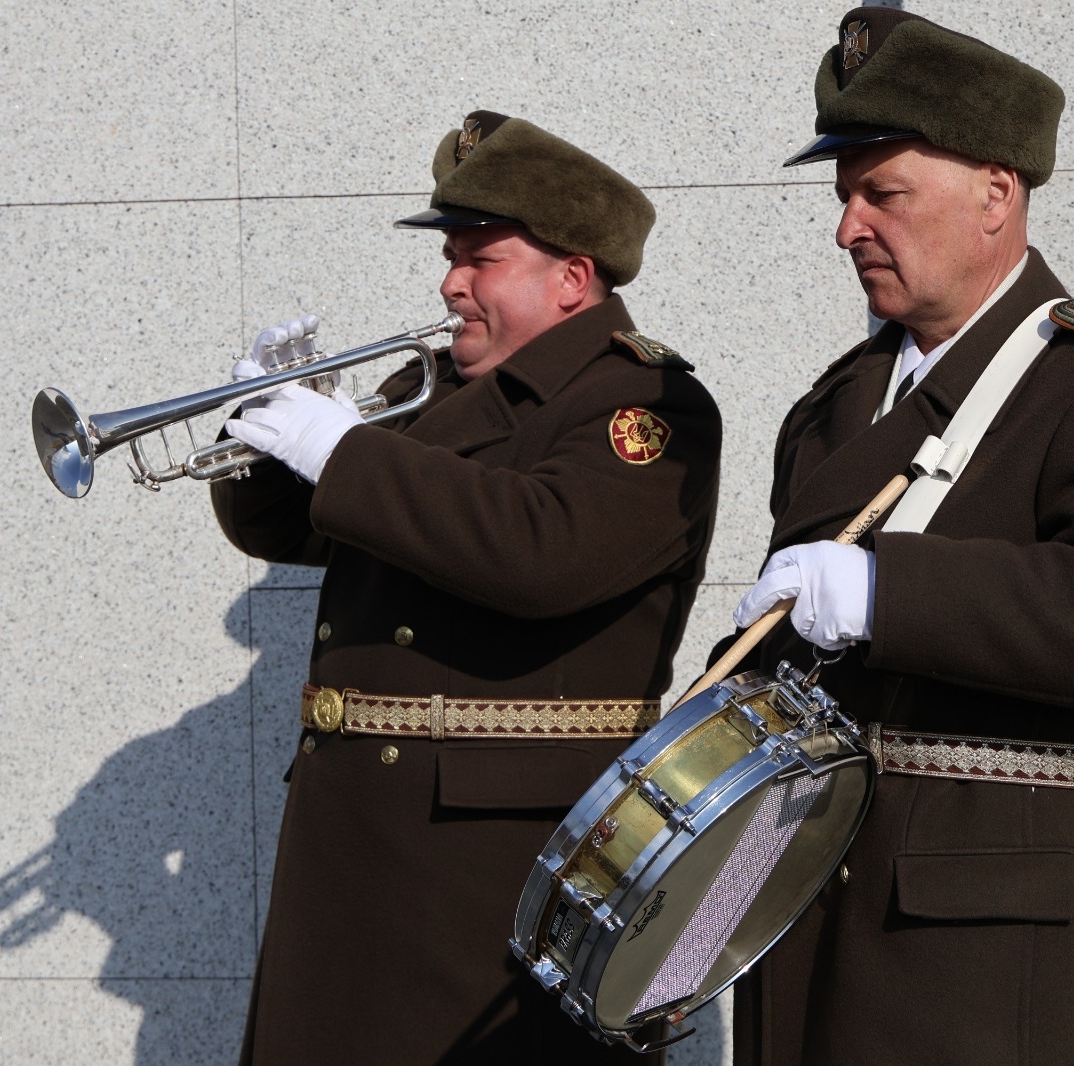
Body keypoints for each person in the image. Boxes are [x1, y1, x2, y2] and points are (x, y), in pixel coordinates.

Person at [721, 10, 1074, 1064]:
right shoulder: (833, 406)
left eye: (882, 193)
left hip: (990, 961)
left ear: (995, 194)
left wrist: (882, 594)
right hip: (813, 914)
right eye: (842, 197)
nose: (847, 227)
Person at [213, 110, 721, 1065]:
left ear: (572, 278)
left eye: (480, 258)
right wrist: (262, 436)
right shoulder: (438, 386)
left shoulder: (645, 405)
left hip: (498, 861)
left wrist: (340, 448)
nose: (451, 282)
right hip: (357, 837)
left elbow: (542, 554)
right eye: (452, 255)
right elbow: (283, 531)